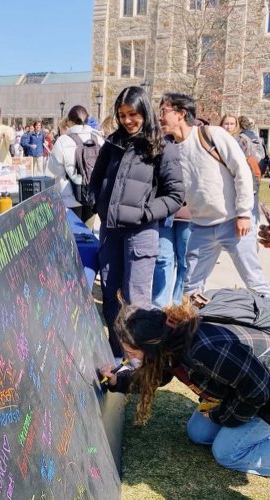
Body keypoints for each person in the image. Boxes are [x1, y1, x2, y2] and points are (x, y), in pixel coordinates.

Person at [99, 298, 270, 476]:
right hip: (244, 389)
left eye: (133, 353)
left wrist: (220, 416)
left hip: (264, 394)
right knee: (199, 433)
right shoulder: (170, 341)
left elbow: (258, 390)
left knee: (226, 453)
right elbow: (157, 376)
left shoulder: (203, 350)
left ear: (151, 346)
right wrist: (117, 381)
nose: (129, 358)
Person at [89, 86, 185, 357]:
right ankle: (117, 355)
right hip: (110, 232)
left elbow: (176, 195)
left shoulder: (162, 146)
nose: (127, 120)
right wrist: (101, 205)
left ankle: (139, 364)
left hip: (141, 234)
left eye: (133, 114)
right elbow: (95, 181)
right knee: (111, 298)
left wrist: (144, 213)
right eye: (122, 115)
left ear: (145, 111)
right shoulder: (112, 143)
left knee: (136, 301)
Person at [158, 93, 270, 297]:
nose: (160, 118)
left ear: (181, 114)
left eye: (163, 112)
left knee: (256, 284)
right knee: (190, 289)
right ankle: (193, 327)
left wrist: (244, 213)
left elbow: (241, 171)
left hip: (234, 223)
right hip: (200, 227)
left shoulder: (212, 134)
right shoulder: (171, 149)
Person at [47, 105, 104, 228]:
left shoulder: (63, 141)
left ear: (69, 121)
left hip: (70, 196)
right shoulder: (99, 139)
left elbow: (52, 171)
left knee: (73, 234)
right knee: (88, 236)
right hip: (92, 194)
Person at [220, 114, 261, 225]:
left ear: (236, 125)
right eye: (226, 124)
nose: (228, 127)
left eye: (231, 124)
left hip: (243, 179)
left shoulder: (242, 140)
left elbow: (255, 158)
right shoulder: (216, 140)